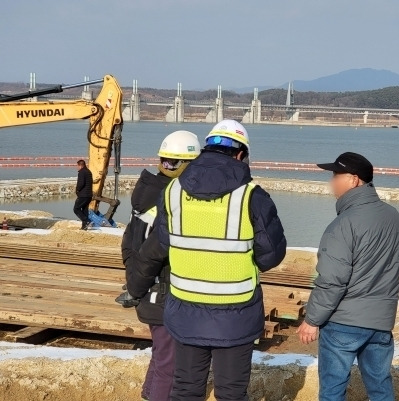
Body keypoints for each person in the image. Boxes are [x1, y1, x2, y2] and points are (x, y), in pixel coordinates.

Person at [127, 120, 287, 401]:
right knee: (231, 393)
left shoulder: (173, 192)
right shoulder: (252, 197)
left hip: (185, 312)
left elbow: (160, 244)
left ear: (206, 150)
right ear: (241, 155)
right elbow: (270, 256)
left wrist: (136, 286)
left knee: (186, 390)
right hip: (235, 316)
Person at [297, 152, 399, 401]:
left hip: (344, 322)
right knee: (380, 388)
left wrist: (312, 320)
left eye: (336, 175)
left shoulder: (344, 224)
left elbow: (333, 280)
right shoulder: (393, 217)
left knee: (333, 390)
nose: (332, 182)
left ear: (354, 180)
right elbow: (393, 266)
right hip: (380, 322)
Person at [117, 130, 201, 401]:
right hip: (163, 293)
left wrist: (135, 285)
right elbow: (156, 251)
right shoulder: (171, 199)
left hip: (149, 290)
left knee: (161, 354)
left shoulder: (148, 193)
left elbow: (129, 244)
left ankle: (148, 394)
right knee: (170, 365)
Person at [74, 159, 93, 230]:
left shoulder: (82, 172)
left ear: (80, 165)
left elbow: (81, 183)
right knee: (84, 210)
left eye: (77, 166)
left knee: (76, 209)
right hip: (89, 195)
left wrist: (77, 190)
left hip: (83, 195)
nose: (77, 167)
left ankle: (87, 221)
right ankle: (84, 226)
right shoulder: (88, 172)